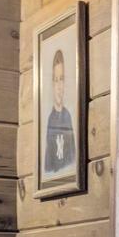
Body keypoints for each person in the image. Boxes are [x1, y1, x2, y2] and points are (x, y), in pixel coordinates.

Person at [43, 48, 76, 176]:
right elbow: (48, 162)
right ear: (52, 83)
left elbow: (73, 157)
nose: (59, 86)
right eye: (56, 80)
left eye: (61, 79)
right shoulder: (50, 119)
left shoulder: (68, 116)